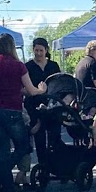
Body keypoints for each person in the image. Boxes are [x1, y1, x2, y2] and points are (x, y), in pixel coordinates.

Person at [0, 33, 46, 192]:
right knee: (23, 146)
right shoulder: (18, 65)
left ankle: (7, 189)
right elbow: (31, 91)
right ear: (12, 46)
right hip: (13, 111)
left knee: (3, 149)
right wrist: (42, 89)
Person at [25, 36, 61, 166]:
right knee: (39, 137)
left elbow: (59, 84)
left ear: (46, 50)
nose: (39, 53)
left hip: (52, 104)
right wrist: (34, 91)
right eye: (36, 50)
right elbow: (22, 88)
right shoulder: (28, 66)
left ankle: (57, 164)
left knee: (55, 136)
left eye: (41, 50)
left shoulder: (53, 65)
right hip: (34, 105)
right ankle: (43, 166)